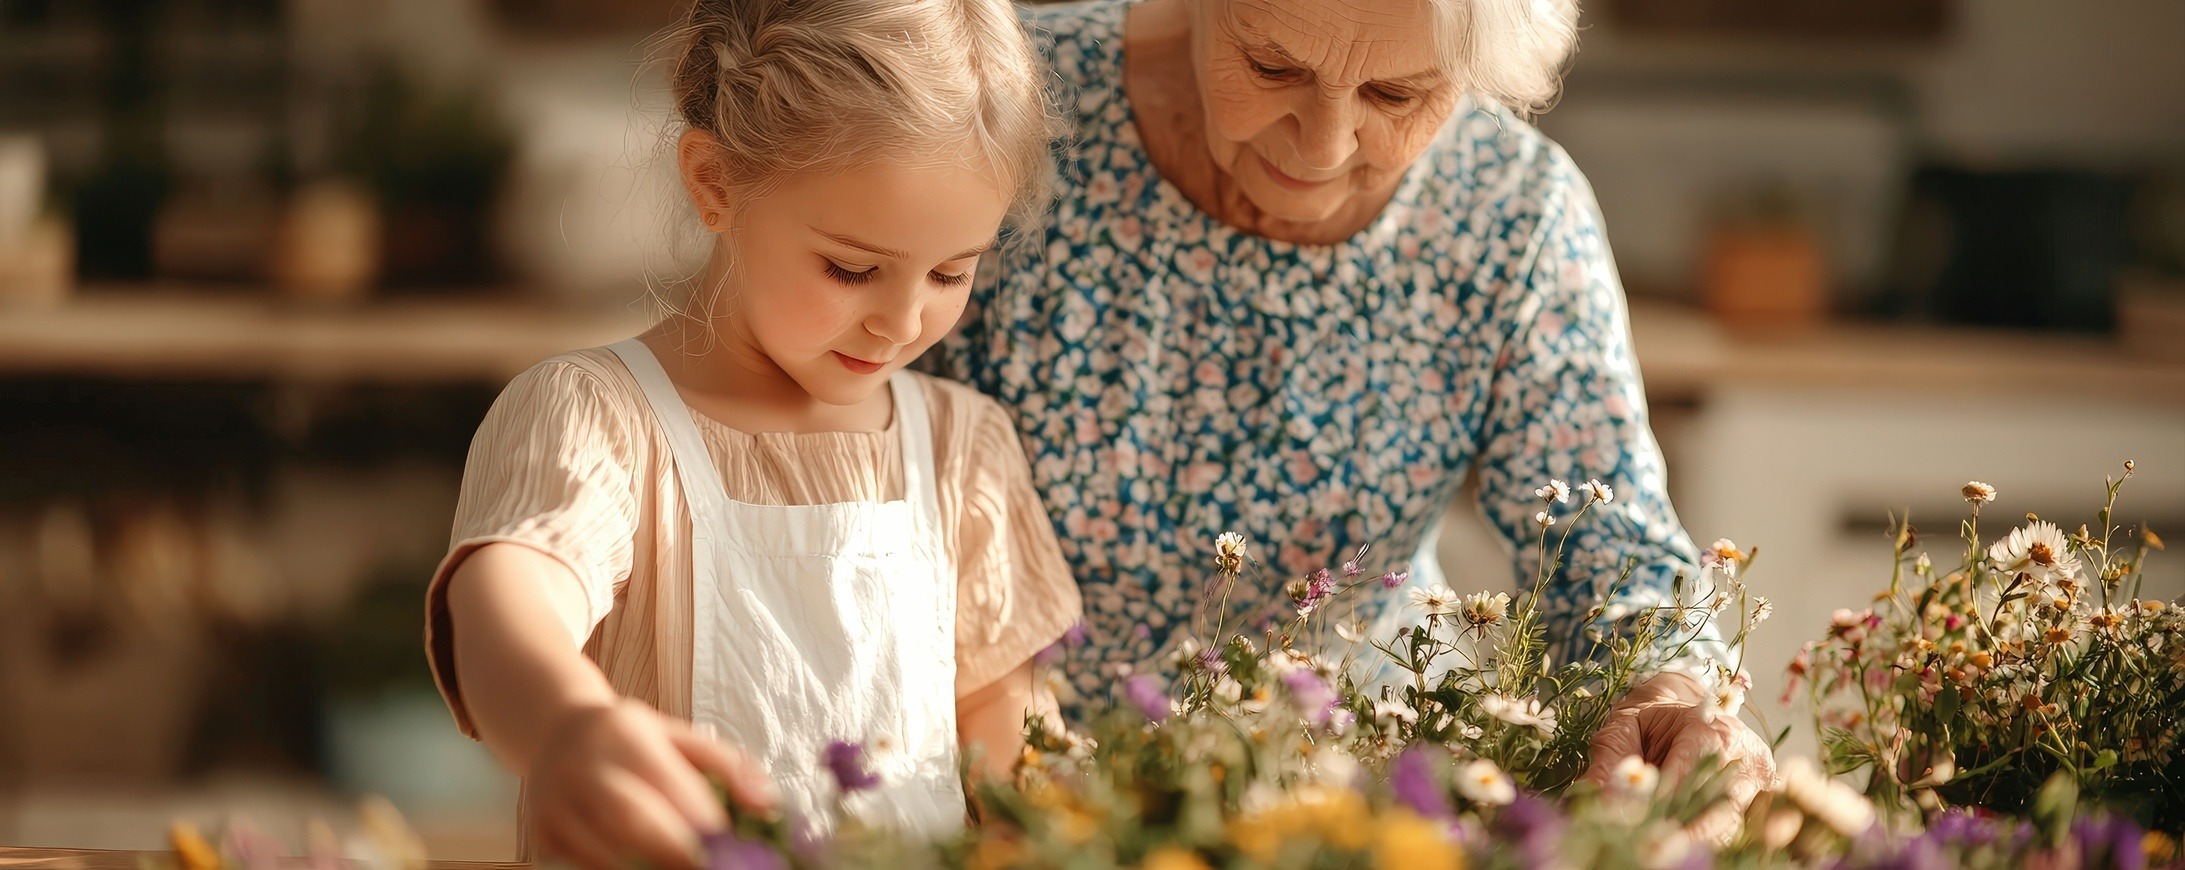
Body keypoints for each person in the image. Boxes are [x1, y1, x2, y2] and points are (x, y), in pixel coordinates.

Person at [927, 0, 1774, 827]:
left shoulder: (1509, 211)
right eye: (1271, 67)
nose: (1324, 143)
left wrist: (1671, 694)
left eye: (1396, 95)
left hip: (1349, 811)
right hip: (1004, 793)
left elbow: (1607, 545)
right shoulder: (997, 99)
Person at [421, 1, 1081, 866]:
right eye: (851, 268)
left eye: (954, 272)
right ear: (714, 183)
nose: (902, 320)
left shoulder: (965, 451)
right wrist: (562, 729)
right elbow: (506, 602)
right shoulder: (600, 417)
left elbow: (1011, 749)